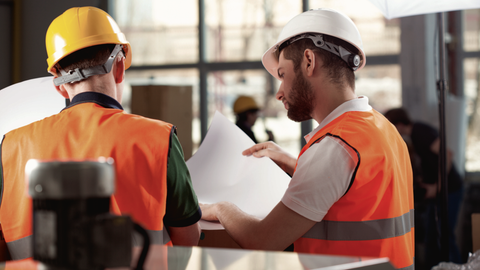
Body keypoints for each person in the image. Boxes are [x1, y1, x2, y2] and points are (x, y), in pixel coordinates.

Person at [200, 8, 414, 269]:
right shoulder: (382, 129)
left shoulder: (335, 146)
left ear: (309, 61)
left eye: (282, 74)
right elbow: (354, 191)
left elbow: (264, 239)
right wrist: (296, 163)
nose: (279, 93)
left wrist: (221, 208)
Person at [0, 6, 201, 260]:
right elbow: (188, 241)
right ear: (119, 67)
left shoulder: (11, 146)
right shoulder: (159, 138)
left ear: (59, 87)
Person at [384, 107, 464, 268]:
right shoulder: (414, 137)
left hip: (451, 190)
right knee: (432, 238)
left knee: (444, 236)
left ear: (399, 125)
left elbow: (447, 154)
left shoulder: (420, 132)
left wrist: (438, 187)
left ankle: (456, 267)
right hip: (439, 192)